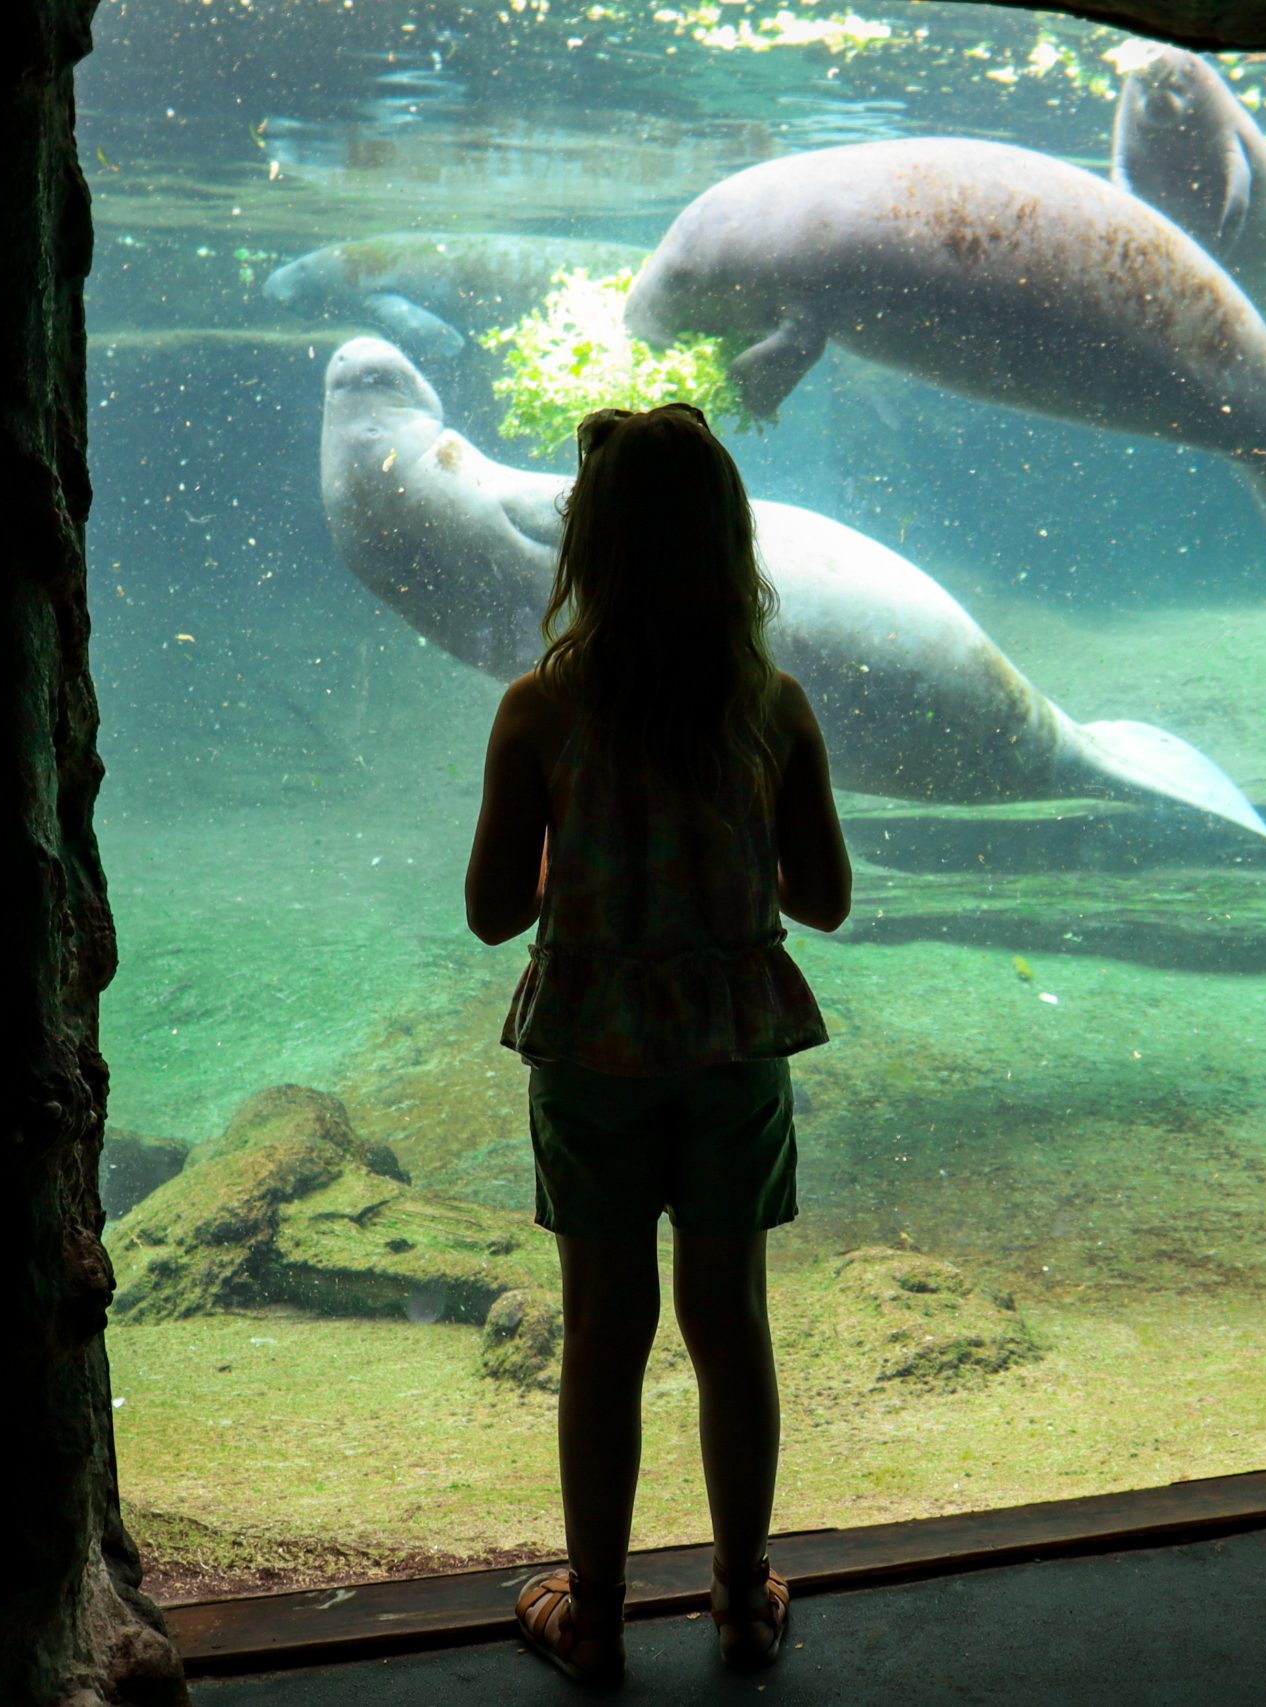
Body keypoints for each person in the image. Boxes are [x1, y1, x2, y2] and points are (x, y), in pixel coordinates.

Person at [464, 401, 852, 1686]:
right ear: (732, 546)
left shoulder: (539, 708)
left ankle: (601, 1616)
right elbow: (826, 897)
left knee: (603, 1329)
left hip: (592, 1055)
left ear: (587, 550)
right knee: (730, 1321)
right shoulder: (773, 705)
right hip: (732, 1051)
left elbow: (490, 914)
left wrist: (574, 849)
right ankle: (743, 1604)